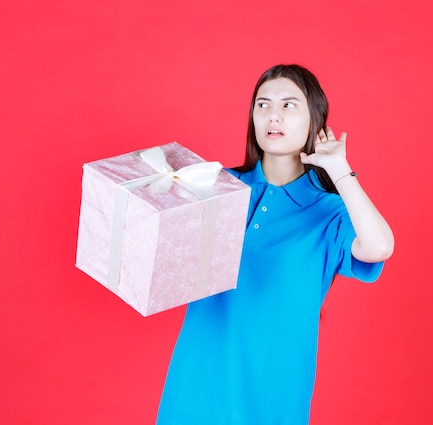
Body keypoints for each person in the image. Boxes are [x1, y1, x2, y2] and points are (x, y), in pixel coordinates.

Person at [156, 64, 394, 425]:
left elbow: (378, 248)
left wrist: (340, 171)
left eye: (289, 105)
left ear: (315, 120)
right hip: (197, 380)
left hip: (272, 393)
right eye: (263, 104)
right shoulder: (216, 187)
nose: (273, 115)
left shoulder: (328, 211)